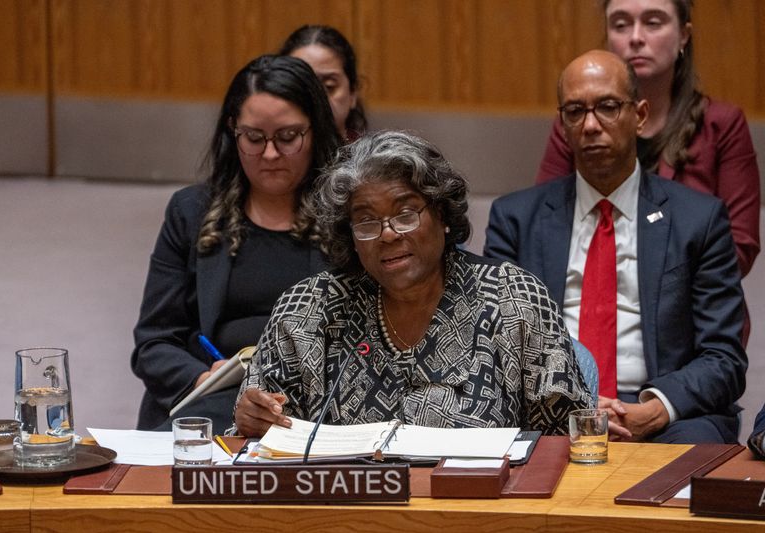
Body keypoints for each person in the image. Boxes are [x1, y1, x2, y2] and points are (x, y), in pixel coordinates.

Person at [233, 130, 590, 438]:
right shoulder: (309, 310)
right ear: (351, 237)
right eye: (367, 222)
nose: (387, 234)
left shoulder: (515, 299)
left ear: (442, 215)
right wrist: (251, 419)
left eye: (405, 214)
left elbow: (566, 439)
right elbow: (261, 435)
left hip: (480, 509)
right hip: (343, 511)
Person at [484, 50, 747, 444]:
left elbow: (724, 356)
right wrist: (572, 406)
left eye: (607, 107)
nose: (591, 125)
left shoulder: (699, 219)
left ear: (639, 116)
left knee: (694, 458)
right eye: (575, 111)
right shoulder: (516, 219)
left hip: (664, 413)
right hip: (549, 412)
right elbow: (496, 347)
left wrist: (656, 408)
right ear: (563, 125)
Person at [131, 55, 342, 431]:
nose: (271, 153)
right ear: (233, 131)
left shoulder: (347, 216)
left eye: (289, 137)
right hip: (213, 399)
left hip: (318, 404)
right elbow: (154, 343)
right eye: (254, 138)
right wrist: (203, 380)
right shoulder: (192, 212)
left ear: (315, 132)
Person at [536, 0, 760, 279]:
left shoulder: (723, 125)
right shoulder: (578, 122)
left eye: (653, 23)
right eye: (620, 25)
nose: (636, 38)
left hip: (692, 308)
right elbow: (544, 227)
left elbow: (739, 247)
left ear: (684, 35)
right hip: (591, 292)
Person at [280, 25, 368, 142]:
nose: (316, 98)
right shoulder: (265, 155)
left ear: (353, 93)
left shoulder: (372, 159)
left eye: (329, 86)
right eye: (301, 85)